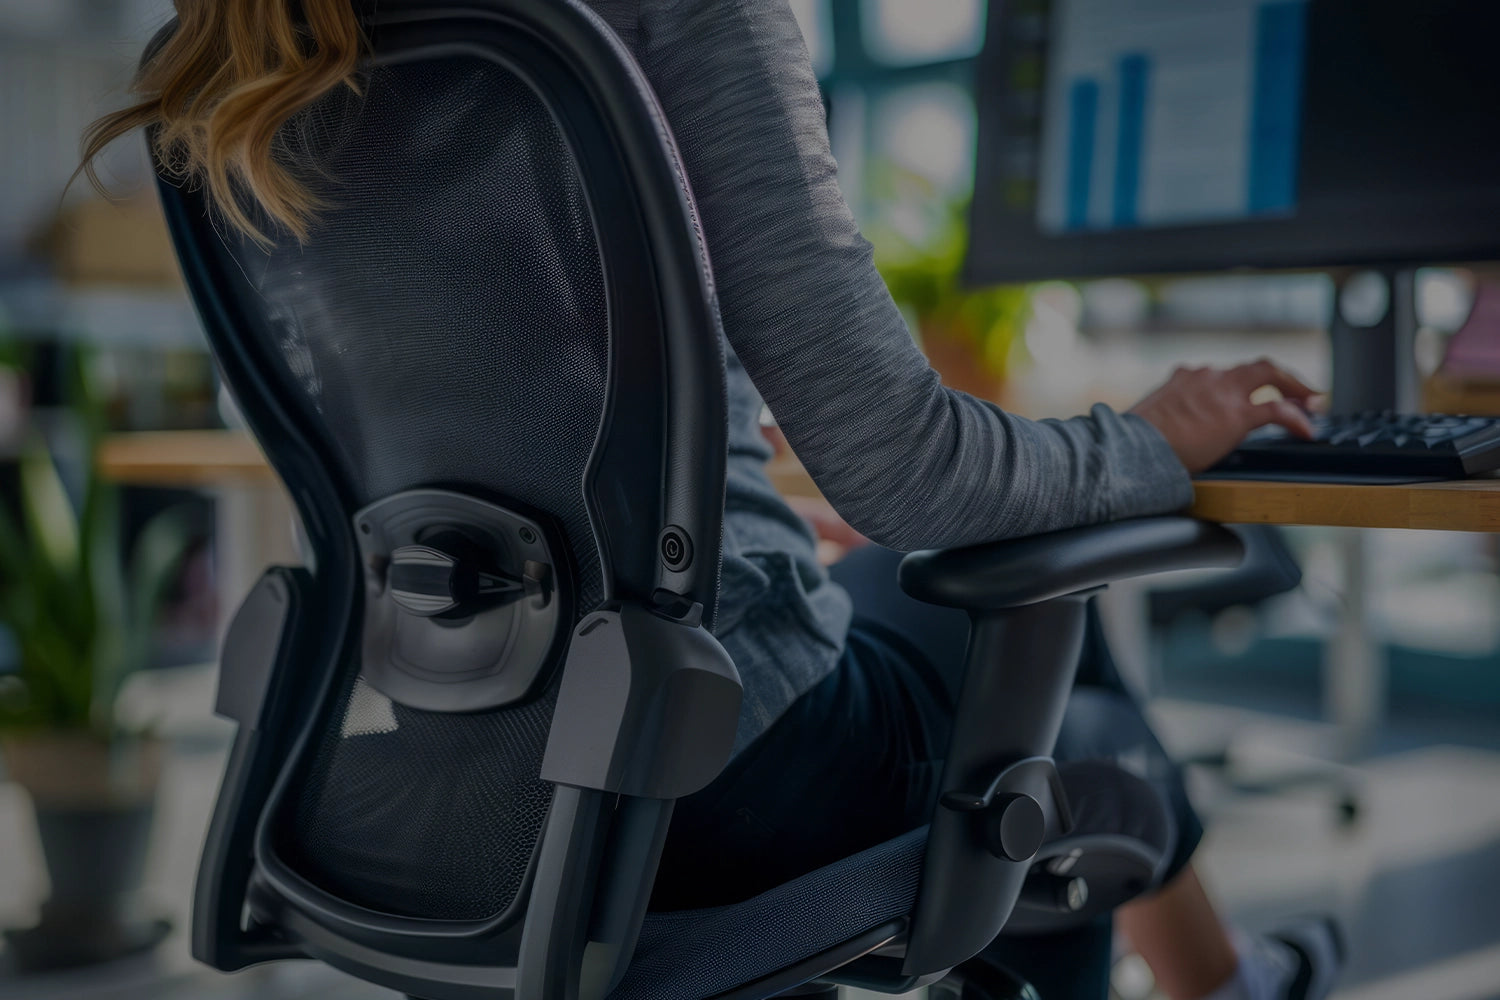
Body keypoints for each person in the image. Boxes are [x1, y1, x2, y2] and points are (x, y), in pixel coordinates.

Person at [82, 2, 1343, 998]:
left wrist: (727, 500)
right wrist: (1149, 435)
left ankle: (1221, 981)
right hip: (717, 762)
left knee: (950, 616)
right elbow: (910, 469)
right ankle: (1213, 977)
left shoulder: (235, 49)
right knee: (1048, 681)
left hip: (474, 773)